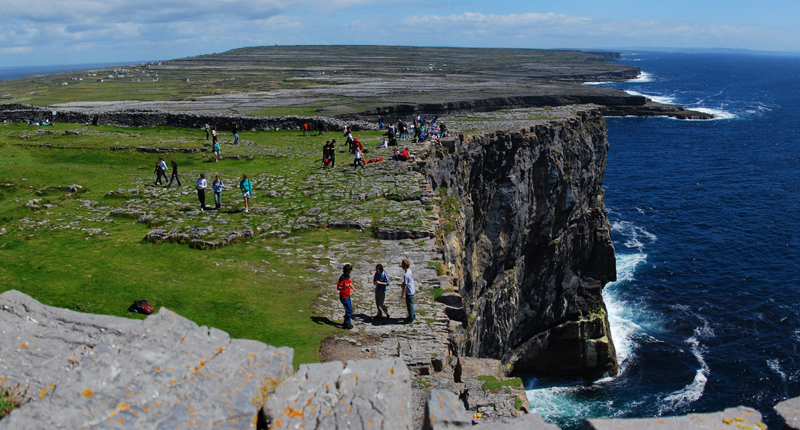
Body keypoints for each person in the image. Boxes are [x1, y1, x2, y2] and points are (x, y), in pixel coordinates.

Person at [337, 264, 356, 329]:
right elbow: (338, 288)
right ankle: (346, 323)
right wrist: (344, 287)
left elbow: (349, 282)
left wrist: (353, 288)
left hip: (348, 295)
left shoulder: (348, 276)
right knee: (349, 310)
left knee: (350, 309)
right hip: (344, 296)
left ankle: (347, 322)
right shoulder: (342, 278)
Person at [400, 259, 415, 323]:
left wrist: (402, 293)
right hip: (412, 290)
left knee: (409, 305)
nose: (402, 267)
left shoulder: (406, 275)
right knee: (411, 304)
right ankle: (413, 315)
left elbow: (405, 285)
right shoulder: (409, 271)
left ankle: (410, 318)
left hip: (409, 292)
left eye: (402, 265)